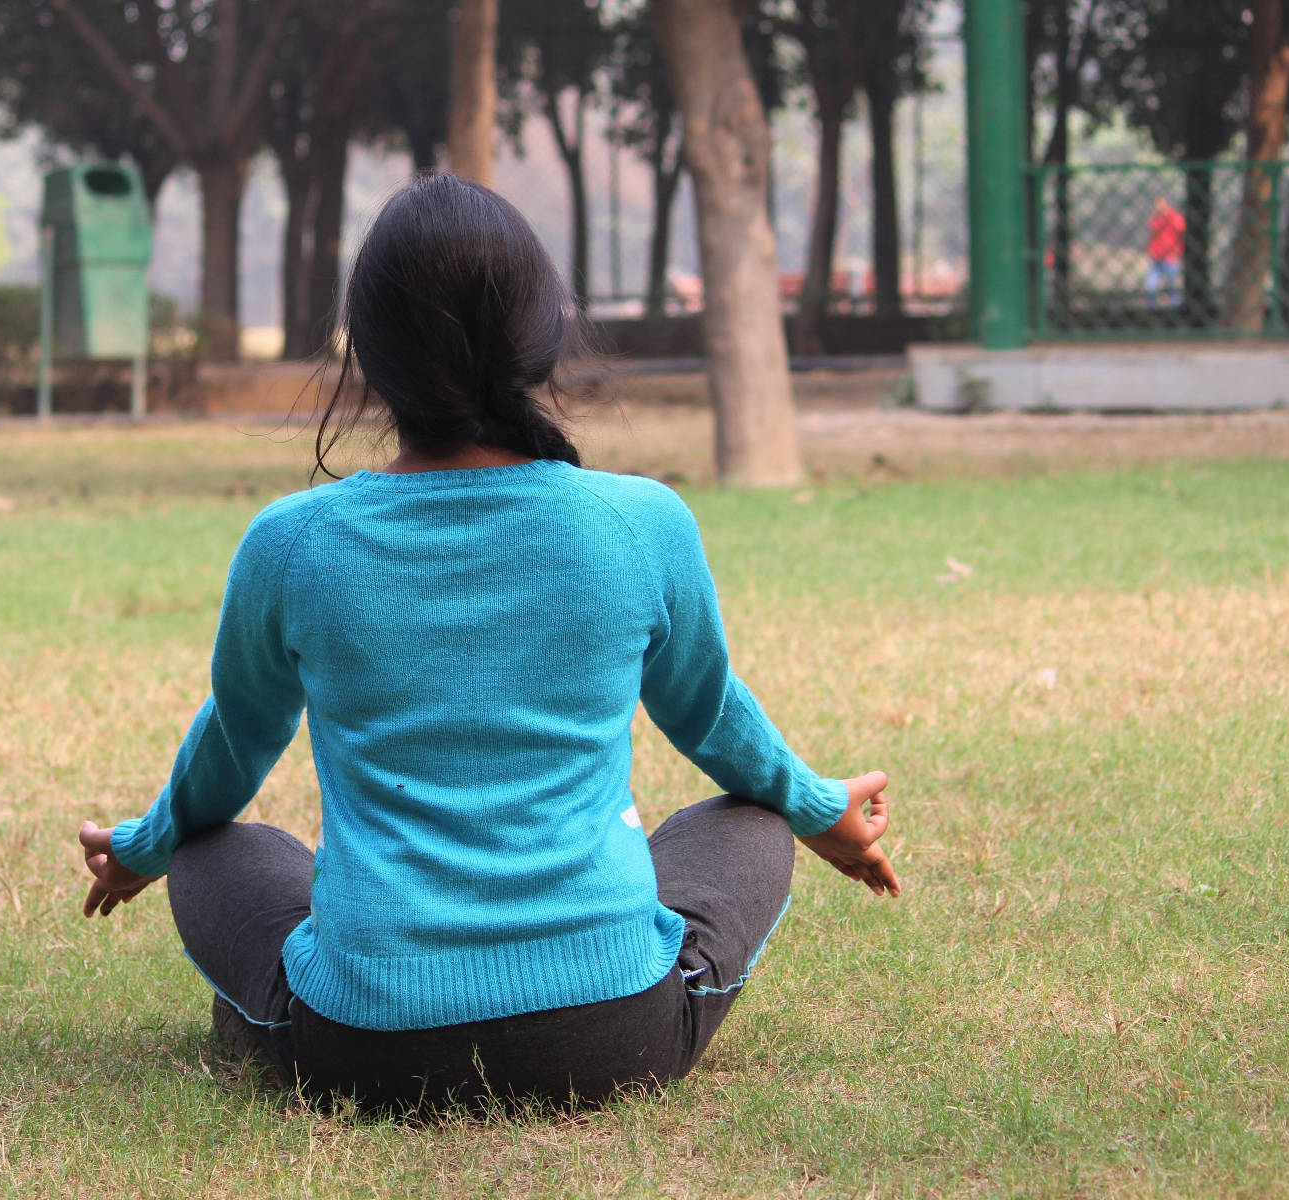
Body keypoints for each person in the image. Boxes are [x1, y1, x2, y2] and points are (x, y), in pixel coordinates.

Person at [77, 174, 900, 1111]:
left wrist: (146, 846)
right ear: (545, 334)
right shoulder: (642, 523)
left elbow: (228, 754)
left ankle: (282, 1010)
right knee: (751, 819)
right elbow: (713, 717)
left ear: (367, 357)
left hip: (365, 1052)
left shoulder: (291, 545)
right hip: (612, 1034)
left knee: (213, 845)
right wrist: (817, 805)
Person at [1145, 196, 1186, 309]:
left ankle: (1176, 308)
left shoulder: (1174, 218)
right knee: (1151, 286)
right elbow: (1152, 236)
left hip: (1170, 258)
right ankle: (1151, 308)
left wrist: (1178, 252)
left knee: (1173, 287)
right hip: (1157, 258)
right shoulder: (1155, 219)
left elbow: (1181, 233)